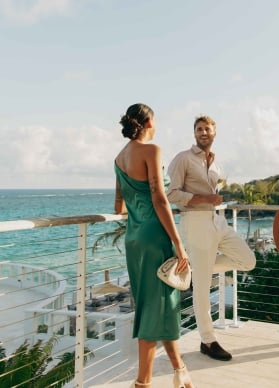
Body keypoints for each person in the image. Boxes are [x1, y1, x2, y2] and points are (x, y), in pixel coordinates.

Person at [114, 103, 194, 388]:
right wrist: (178, 242)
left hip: (134, 238)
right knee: (156, 307)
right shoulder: (152, 150)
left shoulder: (119, 158)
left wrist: (136, 211)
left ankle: (180, 370)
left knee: (159, 304)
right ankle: (142, 383)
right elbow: (160, 199)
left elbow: (118, 205)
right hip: (155, 236)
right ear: (148, 122)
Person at [167, 115, 256, 361]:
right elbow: (172, 193)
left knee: (247, 260)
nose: (203, 132)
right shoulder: (182, 158)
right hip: (195, 221)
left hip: (217, 220)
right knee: (204, 288)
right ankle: (208, 340)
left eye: (207, 128)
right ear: (194, 133)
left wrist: (212, 201)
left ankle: (197, 268)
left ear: (215, 132)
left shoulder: (216, 163)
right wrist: (205, 199)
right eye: (199, 129)